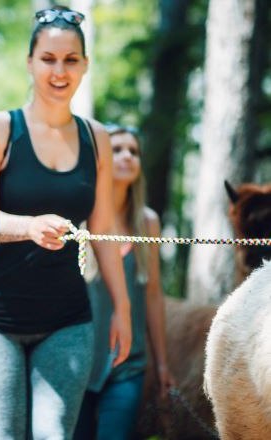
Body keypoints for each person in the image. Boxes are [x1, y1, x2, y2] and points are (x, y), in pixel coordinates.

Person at [0, 6, 133, 439]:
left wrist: (123, 307)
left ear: (84, 65)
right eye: (48, 59)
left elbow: (105, 225)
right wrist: (27, 227)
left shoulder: (96, 136)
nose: (59, 71)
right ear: (29, 62)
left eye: (70, 60)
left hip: (68, 319)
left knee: (55, 435)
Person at [73, 125, 175, 440]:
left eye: (133, 151)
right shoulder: (79, 215)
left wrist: (161, 364)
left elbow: (154, 295)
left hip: (128, 365)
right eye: (117, 150)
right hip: (77, 362)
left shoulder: (149, 222)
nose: (127, 156)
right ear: (101, 159)